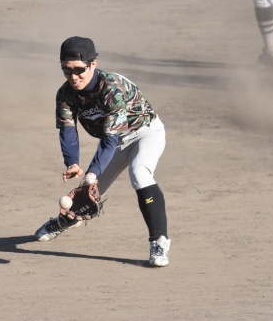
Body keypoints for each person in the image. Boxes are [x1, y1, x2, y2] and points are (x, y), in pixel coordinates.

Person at [34, 36, 171, 267]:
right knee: (86, 194)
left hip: (144, 133)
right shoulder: (65, 94)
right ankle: (65, 221)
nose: (73, 76)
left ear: (93, 64)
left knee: (139, 173)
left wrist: (92, 172)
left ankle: (159, 241)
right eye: (67, 70)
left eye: (79, 70)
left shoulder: (111, 87)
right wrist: (72, 163)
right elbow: (68, 130)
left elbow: (109, 140)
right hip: (115, 141)